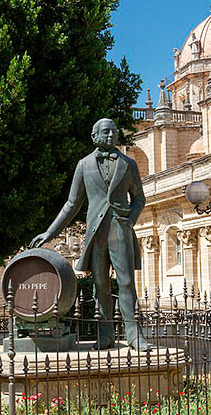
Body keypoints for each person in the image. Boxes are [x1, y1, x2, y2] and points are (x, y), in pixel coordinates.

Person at [30, 118, 149, 351]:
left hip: (120, 228)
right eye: (105, 132)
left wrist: (129, 221)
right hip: (95, 232)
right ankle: (105, 335)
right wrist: (50, 232)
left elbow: (139, 198)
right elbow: (71, 204)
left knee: (126, 282)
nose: (111, 135)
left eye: (114, 131)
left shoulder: (128, 164)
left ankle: (134, 335)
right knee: (100, 284)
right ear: (95, 136)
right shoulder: (84, 165)